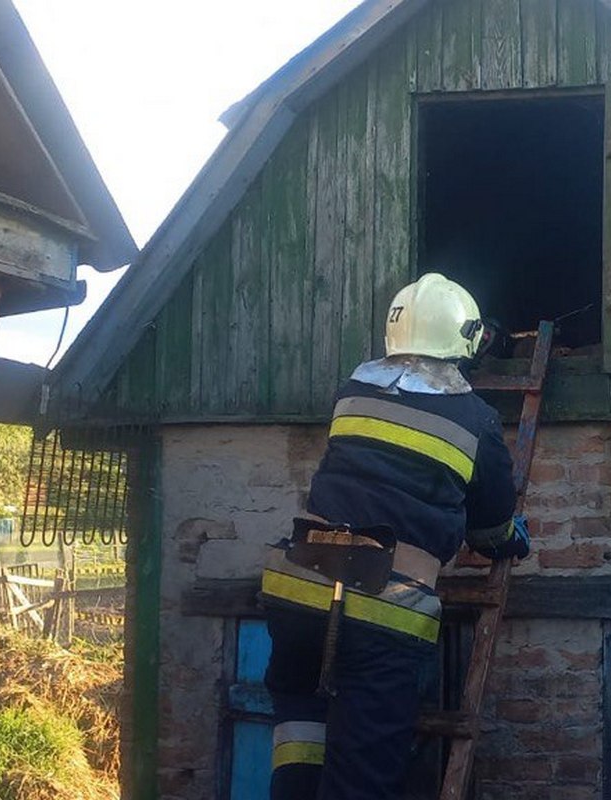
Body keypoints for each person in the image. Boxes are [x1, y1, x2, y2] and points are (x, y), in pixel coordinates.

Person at [260, 273, 530, 800]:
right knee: (362, 775)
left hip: (297, 591)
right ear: (467, 340)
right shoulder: (476, 420)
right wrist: (511, 540)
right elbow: (490, 527)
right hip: (384, 608)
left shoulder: (352, 393)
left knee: (302, 734)